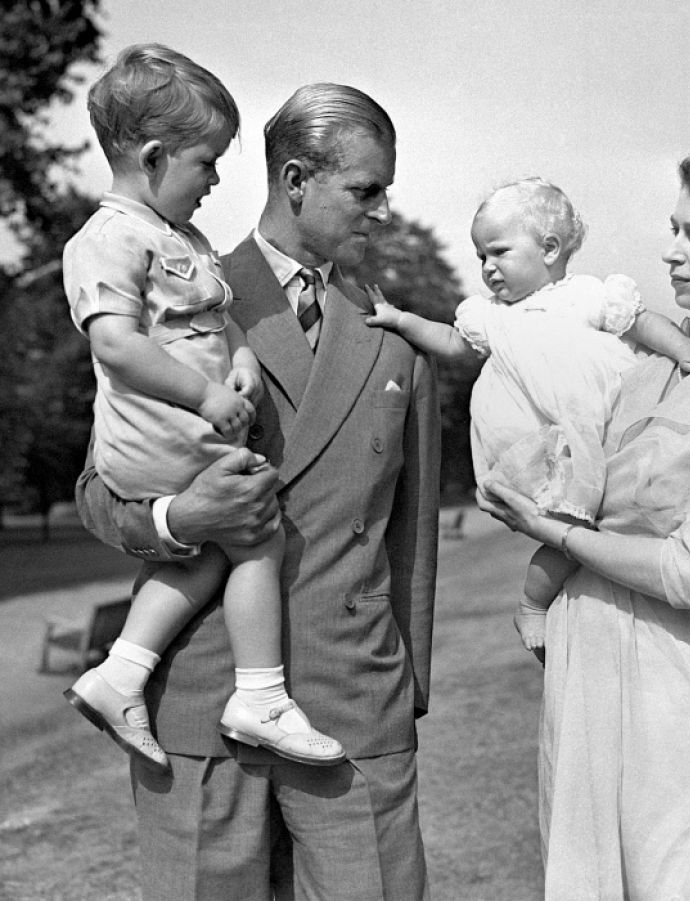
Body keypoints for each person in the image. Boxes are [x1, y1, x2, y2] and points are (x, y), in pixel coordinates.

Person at [76, 82, 440, 901]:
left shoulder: (395, 335)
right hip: (202, 704)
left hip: (353, 708)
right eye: (366, 189)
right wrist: (180, 517)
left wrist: (402, 691)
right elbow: (101, 488)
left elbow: (413, 536)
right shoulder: (170, 286)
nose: (382, 210)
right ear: (297, 179)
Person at [477, 147, 690, 899]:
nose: (669, 250)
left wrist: (553, 532)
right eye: (672, 228)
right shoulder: (645, 368)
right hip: (585, 665)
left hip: (678, 684)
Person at [62, 44, 344, 776]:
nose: (215, 181)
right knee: (257, 533)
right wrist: (209, 394)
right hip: (156, 441)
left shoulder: (182, 239)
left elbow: (221, 322)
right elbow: (118, 347)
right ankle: (261, 695)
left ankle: (120, 672)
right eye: (206, 162)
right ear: (154, 157)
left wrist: (243, 358)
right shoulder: (106, 239)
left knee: (221, 545)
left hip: (187, 438)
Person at [366, 177, 690, 651]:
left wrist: (683, 347)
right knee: (571, 528)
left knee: (605, 523)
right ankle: (532, 606)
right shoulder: (492, 315)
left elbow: (641, 323)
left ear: (550, 248)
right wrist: (401, 320)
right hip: (538, 446)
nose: (489, 268)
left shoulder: (588, 296)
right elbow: (452, 343)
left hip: (595, 434)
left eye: (499, 252)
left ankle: (576, 607)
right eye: (481, 258)